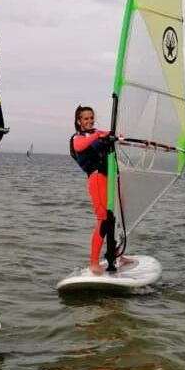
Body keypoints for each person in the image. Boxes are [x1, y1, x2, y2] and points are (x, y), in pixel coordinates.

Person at [69, 106, 133, 275]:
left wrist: (116, 137)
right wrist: (99, 135)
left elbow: (112, 138)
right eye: (85, 118)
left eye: (91, 118)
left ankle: (117, 255)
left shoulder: (97, 134)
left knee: (117, 217)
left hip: (110, 178)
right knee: (103, 220)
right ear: (79, 121)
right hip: (97, 179)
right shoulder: (77, 137)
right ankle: (93, 262)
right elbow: (80, 146)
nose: (90, 121)